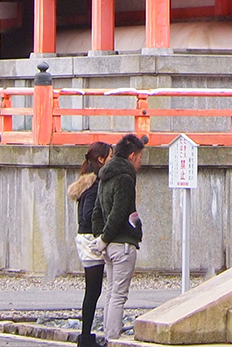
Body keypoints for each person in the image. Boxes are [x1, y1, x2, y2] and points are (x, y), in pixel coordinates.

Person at [92, 133, 146, 343]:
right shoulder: (124, 178)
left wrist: (101, 238)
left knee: (111, 292)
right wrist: (105, 238)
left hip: (108, 244)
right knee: (119, 294)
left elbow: (97, 211)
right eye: (140, 158)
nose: (141, 162)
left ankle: (109, 332)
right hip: (122, 243)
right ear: (132, 156)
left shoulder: (105, 176)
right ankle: (113, 336)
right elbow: (119, 211)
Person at [67, 142, 111, 347]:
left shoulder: (86, 182)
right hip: (89, 239)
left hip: (83, 238)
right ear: (101, 160)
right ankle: (85, 337)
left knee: (93, 290)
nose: (111, 160)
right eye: (109, 157)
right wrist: (100, 232)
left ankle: (86, 335)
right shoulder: (95, 183)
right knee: (94, 290)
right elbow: (88, 215)